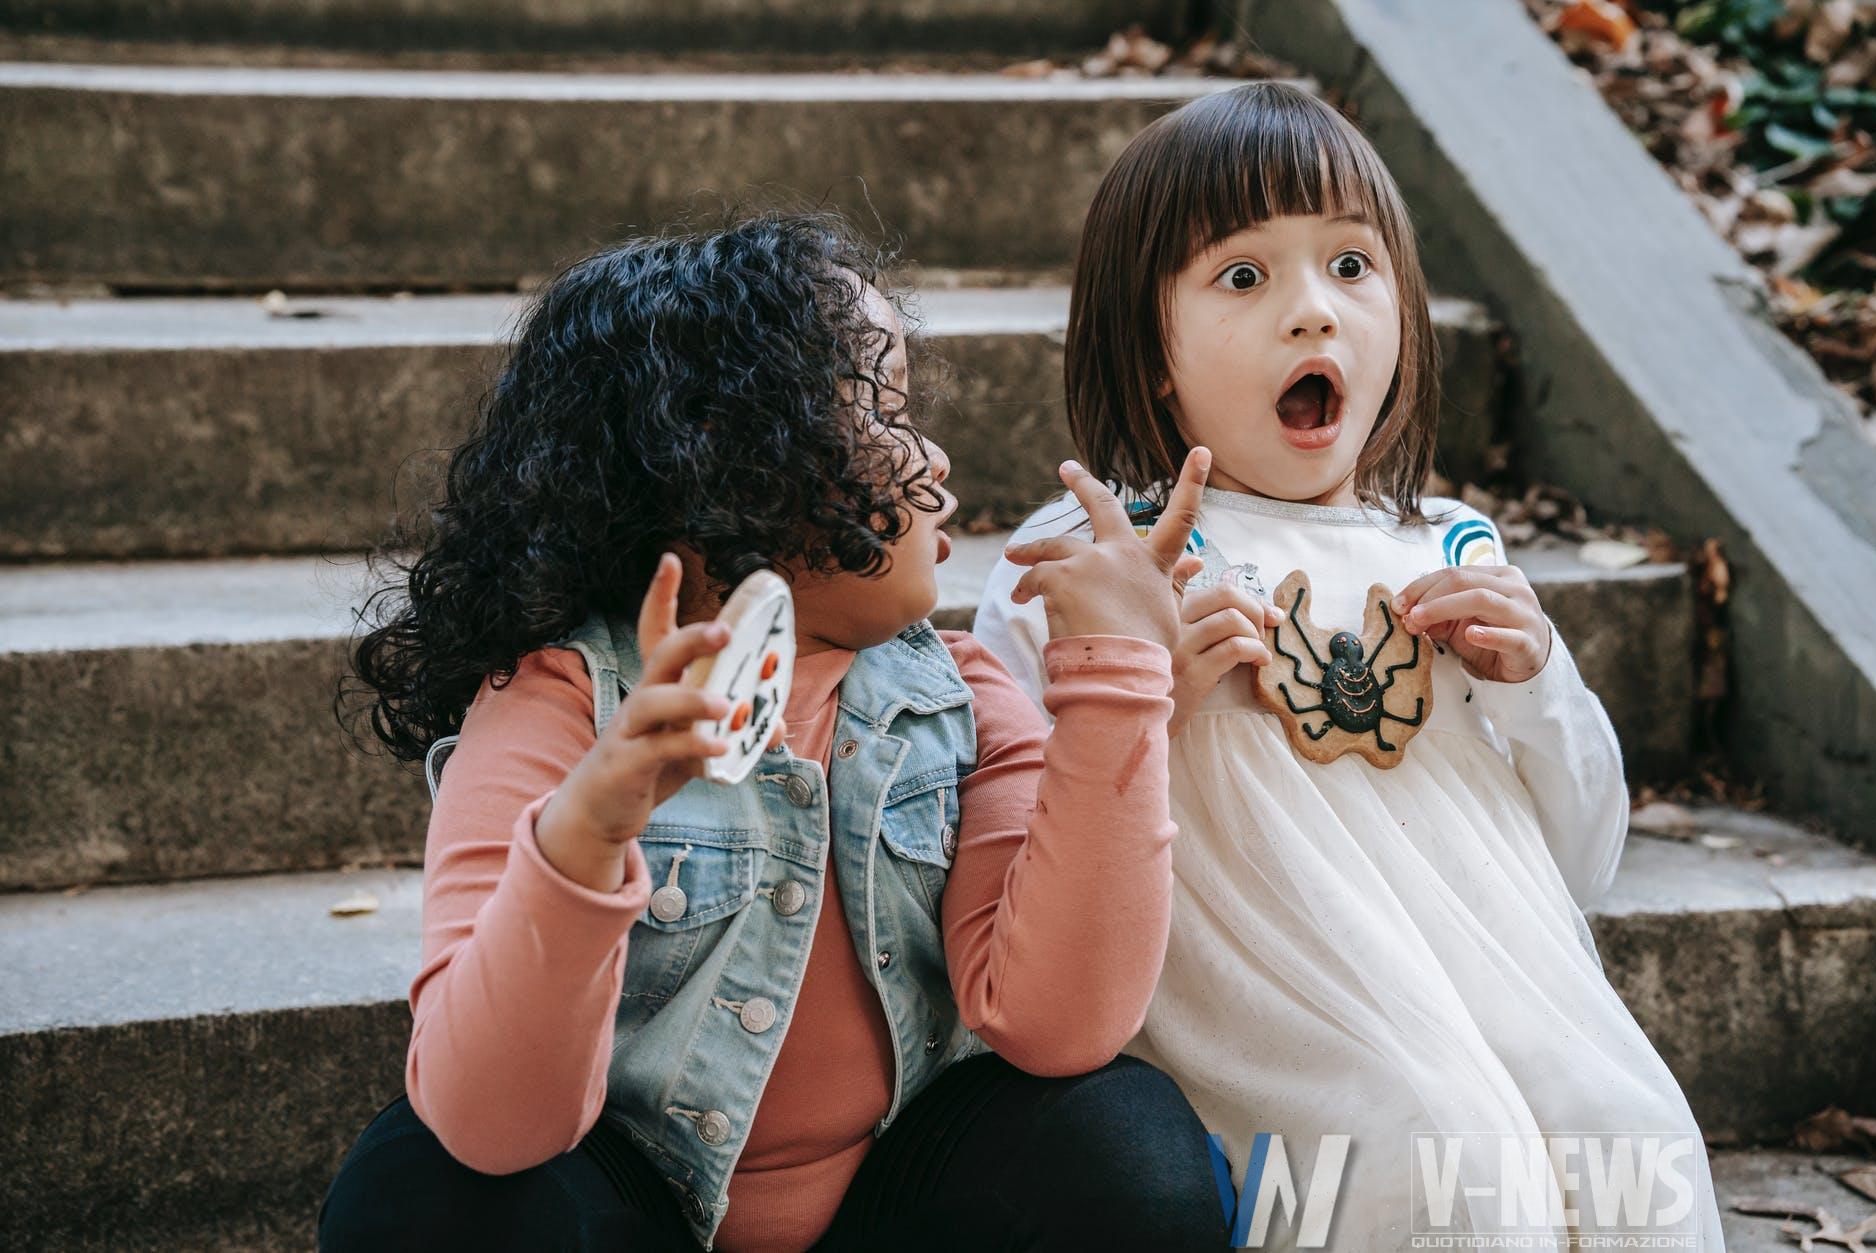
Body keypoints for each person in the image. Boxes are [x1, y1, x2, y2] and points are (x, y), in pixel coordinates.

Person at [320, 208, 1230, 1252]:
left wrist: (1116, 684)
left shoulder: (962, 691)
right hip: (634, 1210)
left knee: (1123, 1140)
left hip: (894, 1210)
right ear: (734, 454)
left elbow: (1060, 1025)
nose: (935, 460)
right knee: (418, 1188)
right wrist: (589, 827)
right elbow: (490, 1123)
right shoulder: (556, 703)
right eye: (883, 411)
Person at [972, 83, 1727, 1249]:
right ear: (1149, 351)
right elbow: (1011, 873)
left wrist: (1535, 685)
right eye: (1242, 275)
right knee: (1440, 1159)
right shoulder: (1094, 558)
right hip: (1278, 1016)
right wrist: (1134, 695)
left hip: (1502, 991)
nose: (1311, 313)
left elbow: (1581, 858)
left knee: (1634, 1142)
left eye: (1350, 267)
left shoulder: (1449, 546)